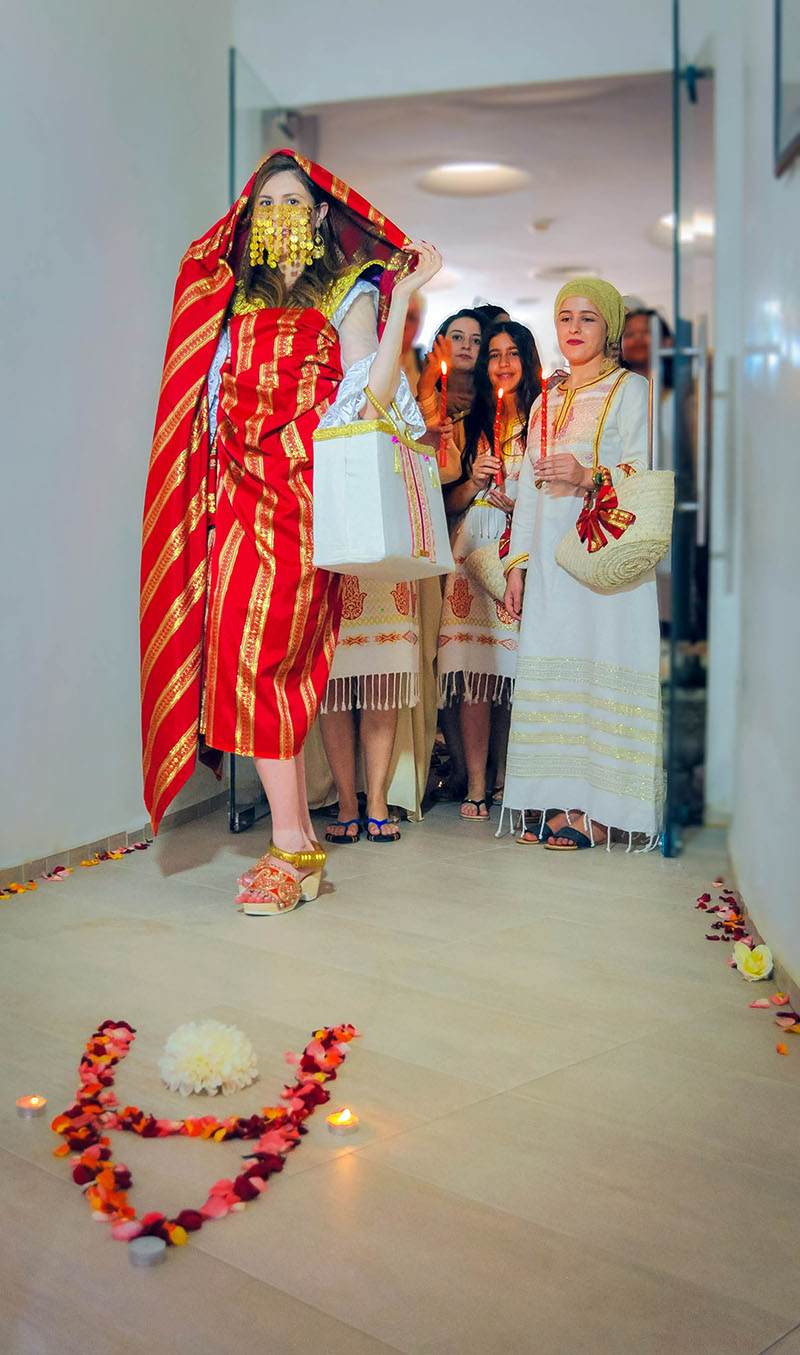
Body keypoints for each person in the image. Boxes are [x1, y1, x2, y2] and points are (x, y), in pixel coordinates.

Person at [140, 149, 441, 913]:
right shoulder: (229, 302)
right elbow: (205, 411)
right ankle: (297, 840)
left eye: (292, 203)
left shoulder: (347, 290)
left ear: (319, 216)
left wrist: (403, 295)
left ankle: (292, 844)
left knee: (269, 661)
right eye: (264, 204)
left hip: (305, 501)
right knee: (242, 664)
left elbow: (369, 396)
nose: (278, 215)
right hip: (238, 502)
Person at [502, 278, 664, 850]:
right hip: (551, 565)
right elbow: (527, 491)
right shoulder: (544, 400)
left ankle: (604, 812)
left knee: (604, 665)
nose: (574, 328)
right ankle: (563, 801)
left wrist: (588, 474)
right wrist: (517, 566)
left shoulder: (630, 389)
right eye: (565, 317)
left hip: (606, 562)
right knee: (556, 668)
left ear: (610, 328)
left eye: (588, 318)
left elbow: (643, 473)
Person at [437, 322, 542, 820]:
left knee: (512, 673)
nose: (502, 362)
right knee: (475, 675)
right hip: (471, 553)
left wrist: (520, 506)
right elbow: (447, 502)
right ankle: (477, 783)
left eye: (512, 353)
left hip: (518, 552)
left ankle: (507, 777)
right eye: (494, 354)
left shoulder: (545, 420)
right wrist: (474, 484)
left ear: (528, 360)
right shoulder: (470, 422)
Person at [416, 308, 485, 484]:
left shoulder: (490, 403)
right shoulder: (428, 396)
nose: (466, 346)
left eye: (476, 340)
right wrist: (426, 386)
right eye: (457, 337)